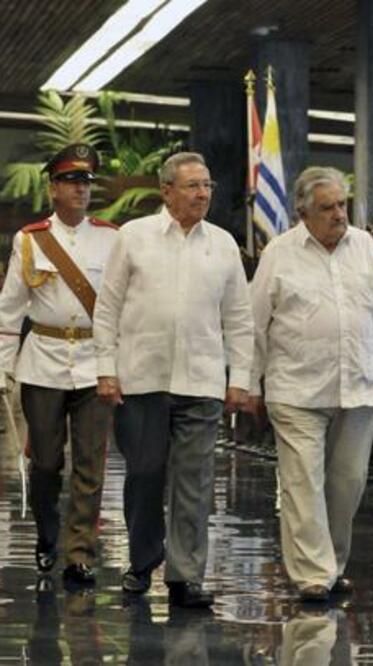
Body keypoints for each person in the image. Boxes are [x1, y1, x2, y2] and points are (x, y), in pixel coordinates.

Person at [94, 151, 254, 608]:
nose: (202, 193)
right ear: (166, 191)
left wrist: (239, 377)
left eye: (207, 185)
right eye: (192, 185)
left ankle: (185, 576)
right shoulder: (133, 237)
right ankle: (142, 561)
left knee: (195, 481)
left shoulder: (223, 244)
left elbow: (239, 318)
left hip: (201, 382)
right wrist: (106, 369)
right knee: (144, 474)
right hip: (141, 380)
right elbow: (107, 309)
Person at [247, 166, 373, 603]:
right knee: (302, 483)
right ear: (303, 212)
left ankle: (332, 565)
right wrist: (247, 383)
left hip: (359, 387)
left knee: (348, 481)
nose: (339, 214)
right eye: (328, 207)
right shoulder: (279, 254)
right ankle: (312, 574)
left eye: (342, 205)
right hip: (296, 390)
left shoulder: (366, 248)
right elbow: (254, 324)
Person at [0, 143, 116, 585]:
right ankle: (48, 535)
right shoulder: (30, 239)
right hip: (44, 363)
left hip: (94, 362)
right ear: (52, 187)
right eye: (71, 181)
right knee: (46, 461)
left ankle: (80, 552)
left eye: (85, 182)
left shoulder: (112, 238)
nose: (80, 189)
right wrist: (3, 367)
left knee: (91, 461)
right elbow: (10, 308)